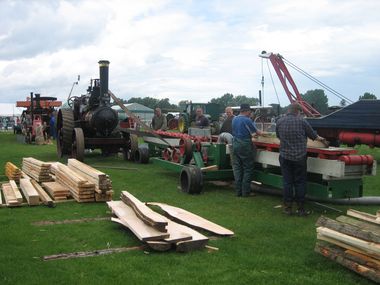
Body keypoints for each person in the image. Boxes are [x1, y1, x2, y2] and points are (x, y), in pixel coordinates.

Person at [275, 103, 327, 216]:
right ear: (298, 111)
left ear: (289, 110)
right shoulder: (302, 122)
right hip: (299, 157)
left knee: (287, 182)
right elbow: (313, 136)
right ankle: (300, 209)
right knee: (300, 182)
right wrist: (322, 139)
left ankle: (287, 208)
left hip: (284, 156)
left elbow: (278, 136)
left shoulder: (279, 121)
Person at [232, 103, 264, 197]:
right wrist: (265, 134)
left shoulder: (234, 119)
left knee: (237, 168)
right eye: (250, 111)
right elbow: (256, 132)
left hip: (236, 144)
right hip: (244, 145)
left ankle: (238, 191)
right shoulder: (247, 120)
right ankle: (246, 192)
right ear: (247, 111)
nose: (250, 113)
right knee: (247, 168)